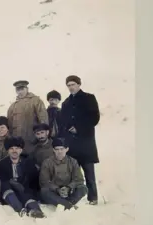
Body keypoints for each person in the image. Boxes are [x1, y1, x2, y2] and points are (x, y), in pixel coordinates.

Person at [60, 75, 100, 205]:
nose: (71, 87)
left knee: (89, 172)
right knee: (72, 173)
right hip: (72, 144)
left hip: (86, 143)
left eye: (73, 84)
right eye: (69, 85)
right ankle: (73, 198)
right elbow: (62, 120)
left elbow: (94, 118)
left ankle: (93, 198)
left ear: (79, 85)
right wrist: (68, 128)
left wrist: (79, 128)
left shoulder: (89, 98)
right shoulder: (65, 103)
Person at [0, 136, 45, 218]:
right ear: (8, 151)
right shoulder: (1, 164)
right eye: (11, 148)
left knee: (27, 193)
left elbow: (33, 180)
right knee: (6, 187)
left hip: (24, 189)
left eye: (17, 148)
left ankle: (35, 211)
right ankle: (20, 210)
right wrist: (12, 183)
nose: (14, 151)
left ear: (21, 150)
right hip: (9, 191)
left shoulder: (29, 163)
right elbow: (2, 180)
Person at [39, 138, 87, 211]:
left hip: (69, 192)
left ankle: (65, 203)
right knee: (44, 191)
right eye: (57, 149)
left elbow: (79, 179)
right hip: (55, 192)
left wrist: (69, 187)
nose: (59, 152)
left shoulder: (73, 161)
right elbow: (44, 181)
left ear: (67, 149)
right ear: (53, 150)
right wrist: (57, 189)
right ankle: (68, 205)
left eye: (62, 149)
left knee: (83, 188)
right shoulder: (47, 162)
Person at [7, 80, 49, 150]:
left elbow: (43, 120)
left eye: (22, 89)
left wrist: (41, 137)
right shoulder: (12, 106)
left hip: (33, 142)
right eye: (18, 90)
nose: (20, 92)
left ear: (27, 89)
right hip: (17, 144)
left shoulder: (36, 101)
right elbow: (9, 125)